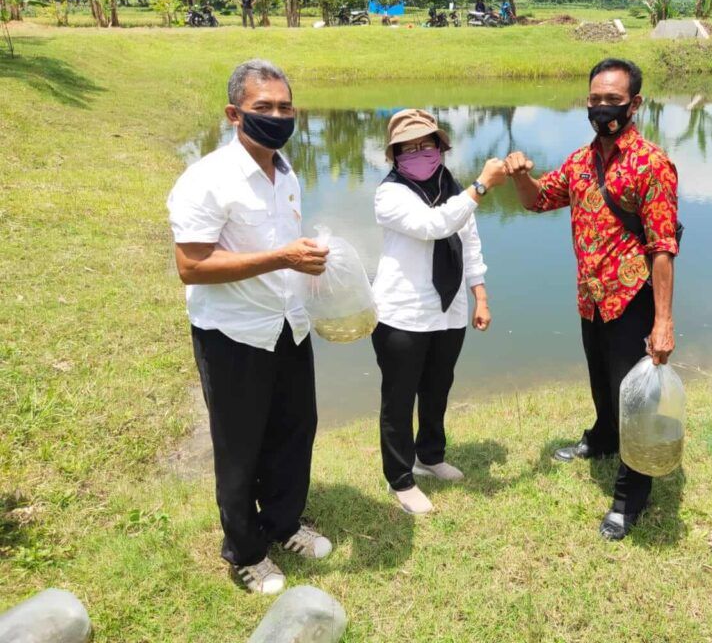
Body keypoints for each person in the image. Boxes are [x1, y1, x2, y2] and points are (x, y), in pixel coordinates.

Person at [167, 60, 332, 595]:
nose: (278, 116)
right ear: (234, 113)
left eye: (285, 107)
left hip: (288, 325)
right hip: (233, 333)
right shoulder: (205, 179)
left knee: (294, 428)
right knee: (240, 444)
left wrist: (306, 268)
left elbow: (287, 250)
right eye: (264, 108)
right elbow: (192, 266)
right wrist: (282, 257)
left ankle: (284, 524)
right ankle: (245, 550)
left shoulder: (286, 173)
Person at [504, 58, 680, 541]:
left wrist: (662, 322)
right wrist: (521, 174)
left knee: (637, 400)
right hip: (592, 297)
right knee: (603, 382)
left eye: (613, 101)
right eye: (595, 100)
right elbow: (537, 200)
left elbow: (663, 247)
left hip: (632, 298)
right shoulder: (581, 162)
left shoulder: (652, 164)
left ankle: (630, 496)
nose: (603, 109)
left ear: (635, 104)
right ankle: (602, 438)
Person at [371, 109, 508, 515]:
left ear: (440, 148)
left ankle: (429, 456)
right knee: (398, 399)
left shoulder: (453, 189)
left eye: (425, 145)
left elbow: (469, 243)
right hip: (401, 315)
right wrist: (482, 186)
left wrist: (480, 296)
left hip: (448, 312)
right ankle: (401, 478)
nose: (418, 153)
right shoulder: (389, 194)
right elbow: (434, 225)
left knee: (437, 390)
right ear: (394, 155)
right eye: (407, 148)